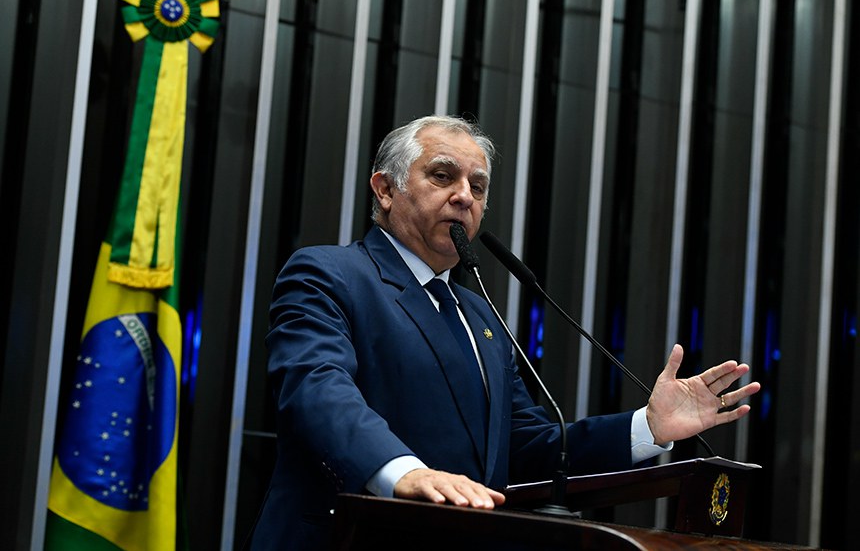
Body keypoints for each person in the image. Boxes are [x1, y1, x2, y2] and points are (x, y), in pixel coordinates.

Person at [247, 115, 760, 549]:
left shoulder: (480, 315)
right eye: (442, 176)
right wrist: (402, 471)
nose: (464, 196)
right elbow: (316, 391)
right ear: (385, 189)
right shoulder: (328, 273)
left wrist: (649, 426)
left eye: (478, 185)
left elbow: (530, 448)